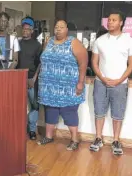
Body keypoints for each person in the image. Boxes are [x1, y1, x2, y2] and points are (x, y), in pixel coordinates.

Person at [90, 10, 132, 155]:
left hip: (120, 84)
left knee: (118, 113)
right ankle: (98, 138)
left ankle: (116, 140)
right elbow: (94, 62)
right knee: (99, 111)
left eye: (114, 20)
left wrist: (119, 80)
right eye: (109, 20)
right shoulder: (100, 40)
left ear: (121, 23)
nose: (110, 22)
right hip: (100, 82)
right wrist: (103, 78)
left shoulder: (129, 41)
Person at [37, 19, 88, 151]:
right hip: (49, 86)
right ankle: (48, 136)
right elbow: (43, 60)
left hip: (69, 87)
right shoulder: (48, 41)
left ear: (67, 30)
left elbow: (83, 63)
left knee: (69, 112)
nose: (58, 29)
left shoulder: (73, 42)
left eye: (61, 27)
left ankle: (74, 139)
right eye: (56, 27)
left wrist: (81, 82)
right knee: (50, 110)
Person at [16, 16, 42, 140]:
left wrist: (33, 79)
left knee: (34, 105)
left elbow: (40, 64)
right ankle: (19, 129)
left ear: (32, 30)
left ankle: (32, 130)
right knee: (18, 105)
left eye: (28, 29)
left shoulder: (37, 45)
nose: (25, 31)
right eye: (24, 28)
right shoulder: (17, 43)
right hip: (18, 80)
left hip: (32, 80)